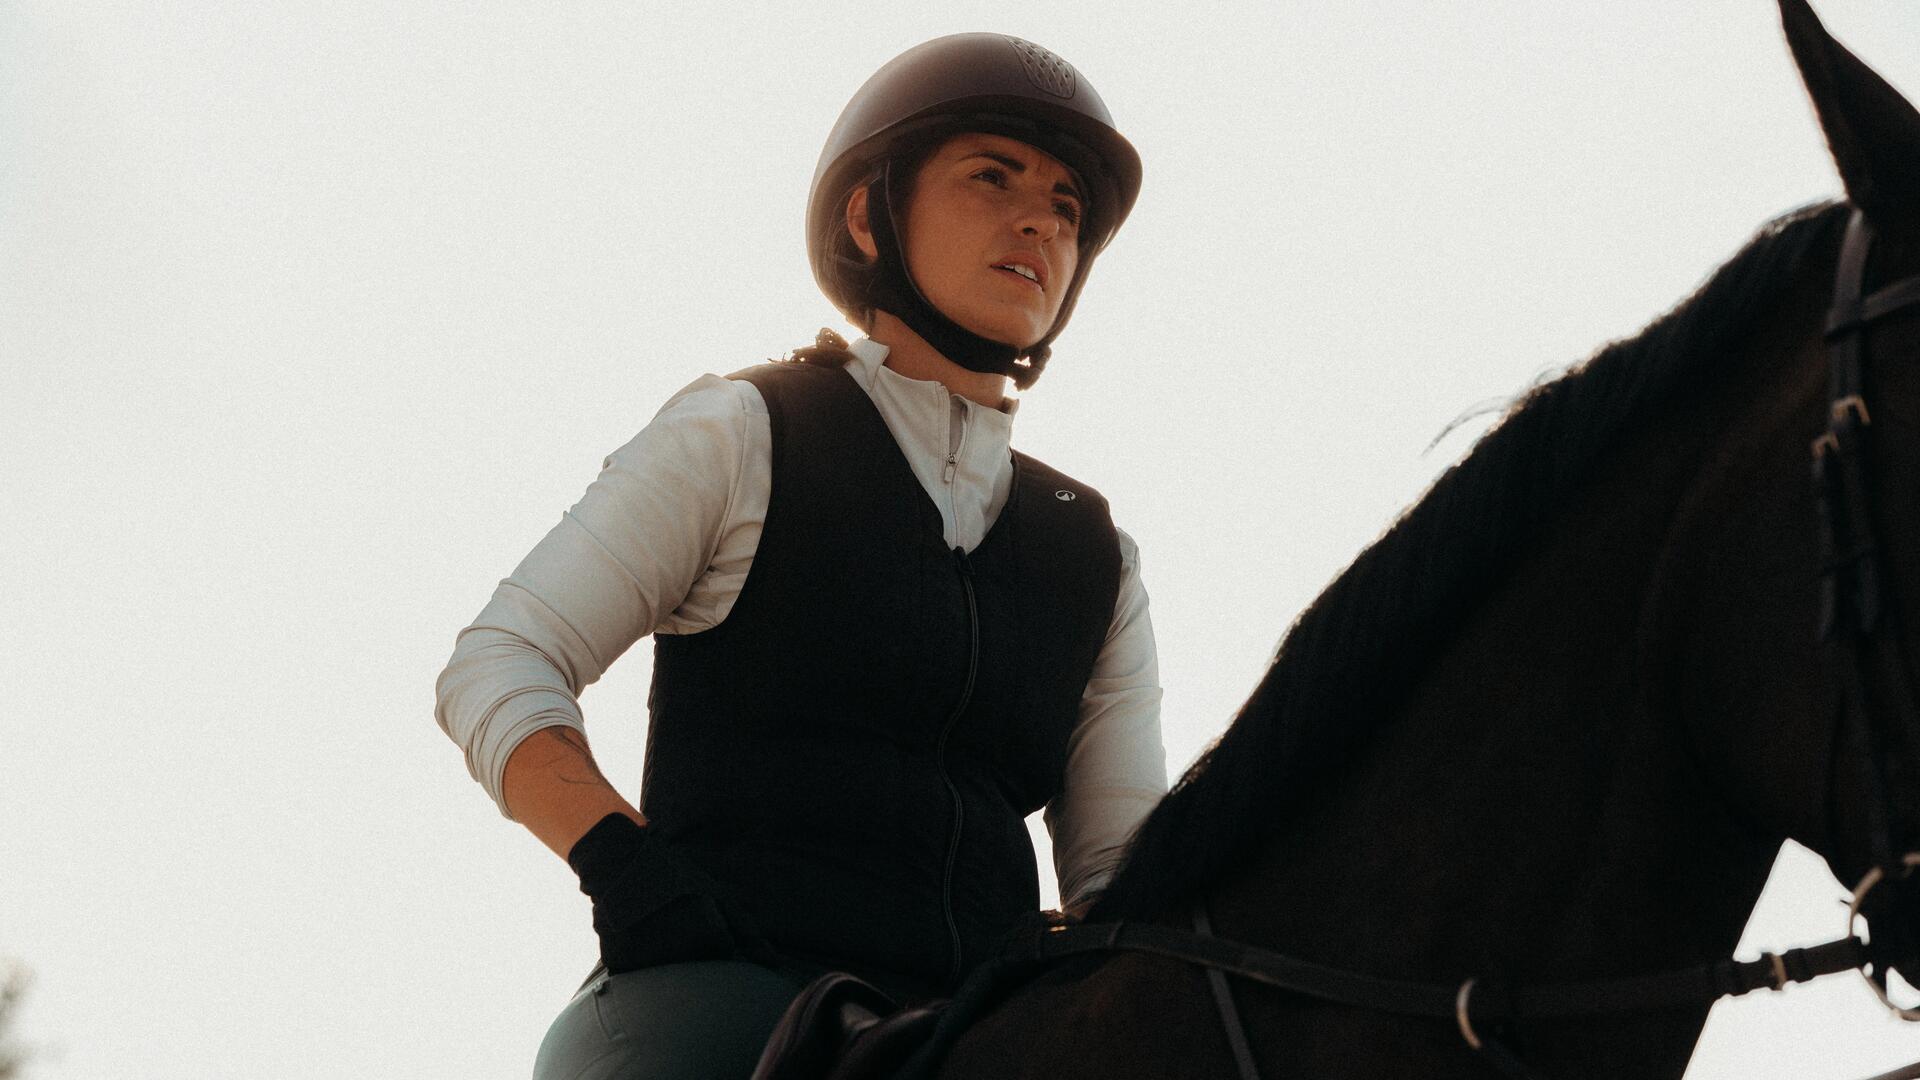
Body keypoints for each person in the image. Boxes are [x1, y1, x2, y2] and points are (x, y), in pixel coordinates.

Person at [433, 32, 1167, 1080]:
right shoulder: (746, 431)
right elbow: (497, 662)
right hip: (725, 1004)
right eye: (991, 177)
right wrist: (627, 873)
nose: (1040, 219)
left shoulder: (1094, 551)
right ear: (870, 216)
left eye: (1065, 204)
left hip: (971, 1034)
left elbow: (1120, 868)